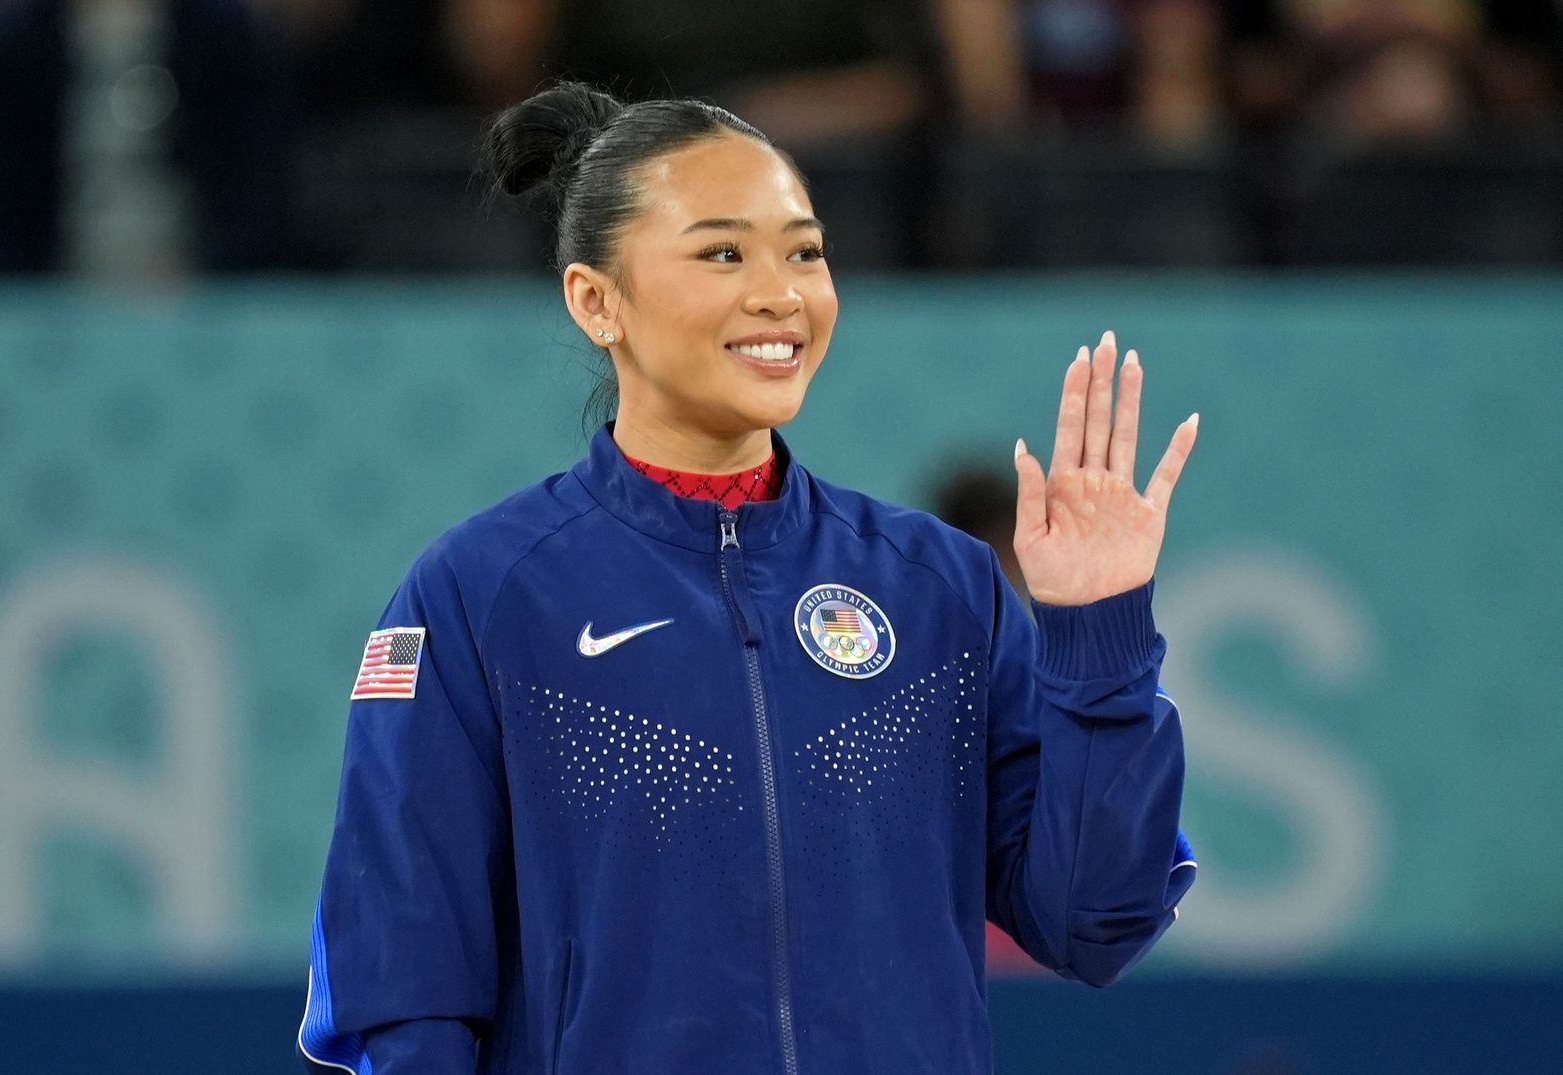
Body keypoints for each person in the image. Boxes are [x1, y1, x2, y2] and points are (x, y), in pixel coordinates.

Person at [297, 79, 1199, 1074]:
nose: (782, 294)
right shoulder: (481, 593)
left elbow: (1096, 921)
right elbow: (401, 983)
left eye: (804, 251)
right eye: (723, 252)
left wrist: (1098, 635)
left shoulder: (941, 587)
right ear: (599, 301)